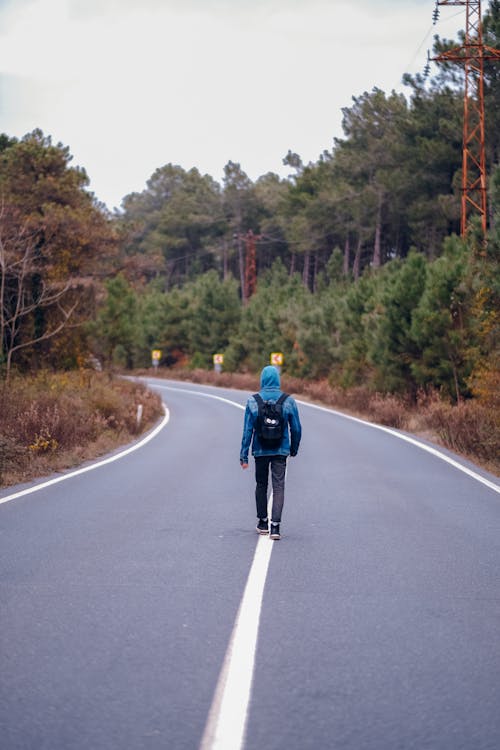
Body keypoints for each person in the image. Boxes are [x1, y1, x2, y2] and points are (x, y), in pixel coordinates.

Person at [240, 365, 302, 540]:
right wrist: (293, 449)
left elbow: (247, 431)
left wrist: (243, 455)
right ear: (278, 379)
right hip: (280, 450)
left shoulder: (253, 401)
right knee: (278, 486)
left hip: (260, 450)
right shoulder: (288, 401)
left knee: (261, 485)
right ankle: (275, 527)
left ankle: (262, 522)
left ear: (262, 380)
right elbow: (296, 428)